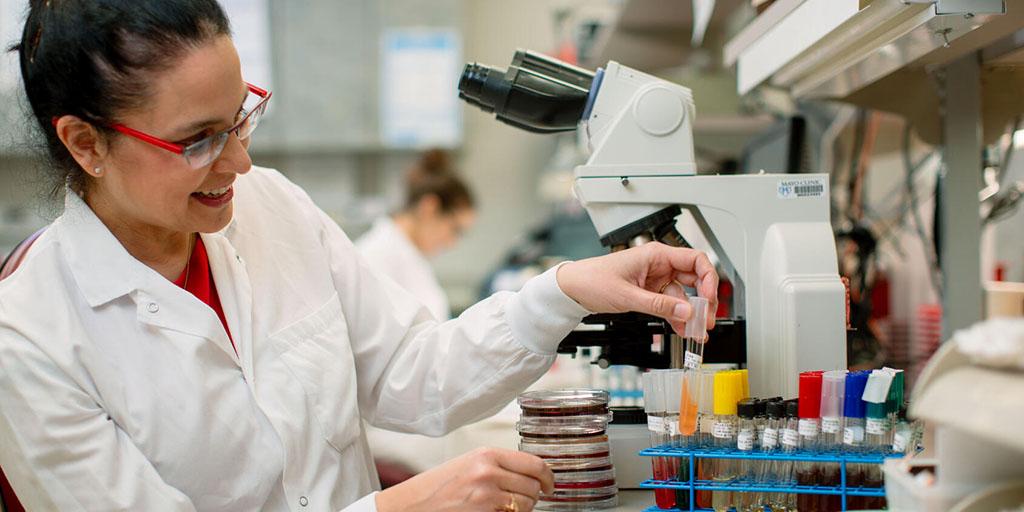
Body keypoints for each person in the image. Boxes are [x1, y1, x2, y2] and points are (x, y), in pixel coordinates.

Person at [0, 2, 718, 511]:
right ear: (85, 143)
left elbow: (418, 374)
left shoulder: (270, 208)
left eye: (241, 117)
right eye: (199, 141)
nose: (241, 163)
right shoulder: (26, 334)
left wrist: (567, 291)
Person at [357, 149, 474, 320]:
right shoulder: (375, 257)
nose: (452, 243)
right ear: (430, 207)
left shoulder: (410, 255)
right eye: (455, 229)